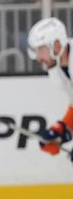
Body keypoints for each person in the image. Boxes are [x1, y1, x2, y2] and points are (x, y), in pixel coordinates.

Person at [26, 17, 73, 162]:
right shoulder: (58, 68)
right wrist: (61, 129)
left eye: (41, 49)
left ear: (57, 45)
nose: (38, 58)